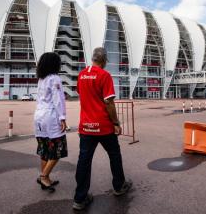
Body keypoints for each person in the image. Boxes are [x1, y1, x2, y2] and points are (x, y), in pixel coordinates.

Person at [72, 47, 132, 210]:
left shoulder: (82, 74)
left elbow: (82, 94)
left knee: (84, 160)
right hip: (104, 126)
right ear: (104, 60)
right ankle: (119, 186)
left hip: (86, 127)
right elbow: (109, 103)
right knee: (114, 154)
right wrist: (116, 123)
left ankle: (80, 198)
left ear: (93, 58)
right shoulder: (104, 75)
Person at [34, 52, 67, 193]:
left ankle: (45, 179)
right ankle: (43, 176)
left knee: (44, 150)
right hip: (51, 117)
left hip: (39, 117)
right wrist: (62, 117)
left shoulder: (41, 79)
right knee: (57, 150)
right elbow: (58, 100)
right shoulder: (54, 79)